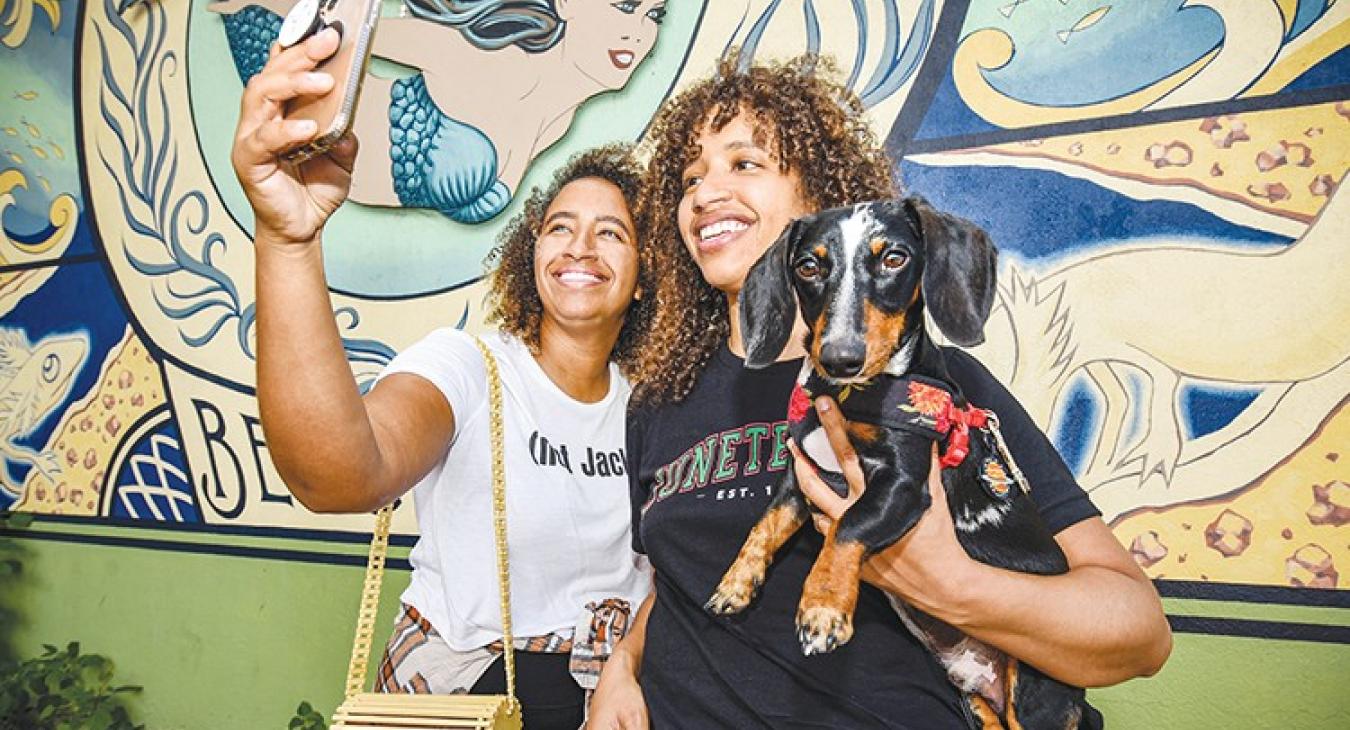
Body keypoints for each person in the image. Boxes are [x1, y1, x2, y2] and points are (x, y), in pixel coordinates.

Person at [588, 55, 1172, 729]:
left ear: (822, 199)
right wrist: (621, 667)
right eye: (690, 178)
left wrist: (948, 582)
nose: (705, 193)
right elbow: (676, 581)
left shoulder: (942, 388)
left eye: (743, 164)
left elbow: (1139, 635)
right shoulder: (659, 403)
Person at [232, 28, 658, 729]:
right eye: (559, 227)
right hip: (466, 695)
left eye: (612, 232)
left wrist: (627, 669)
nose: (581, 245)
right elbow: (337, 476)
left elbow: (679, 572)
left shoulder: (655, 406)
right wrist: (288, 239)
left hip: (610, 700)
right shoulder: (467, 367)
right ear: (533, 255)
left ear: (646, 277)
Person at [213, 0, 670, 222]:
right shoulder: (499, 66)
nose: (637, 32)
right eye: (625, 5)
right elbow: (353, 32)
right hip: (283, 59)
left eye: (654, 15)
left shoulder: (560, 116)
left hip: (318, 161)